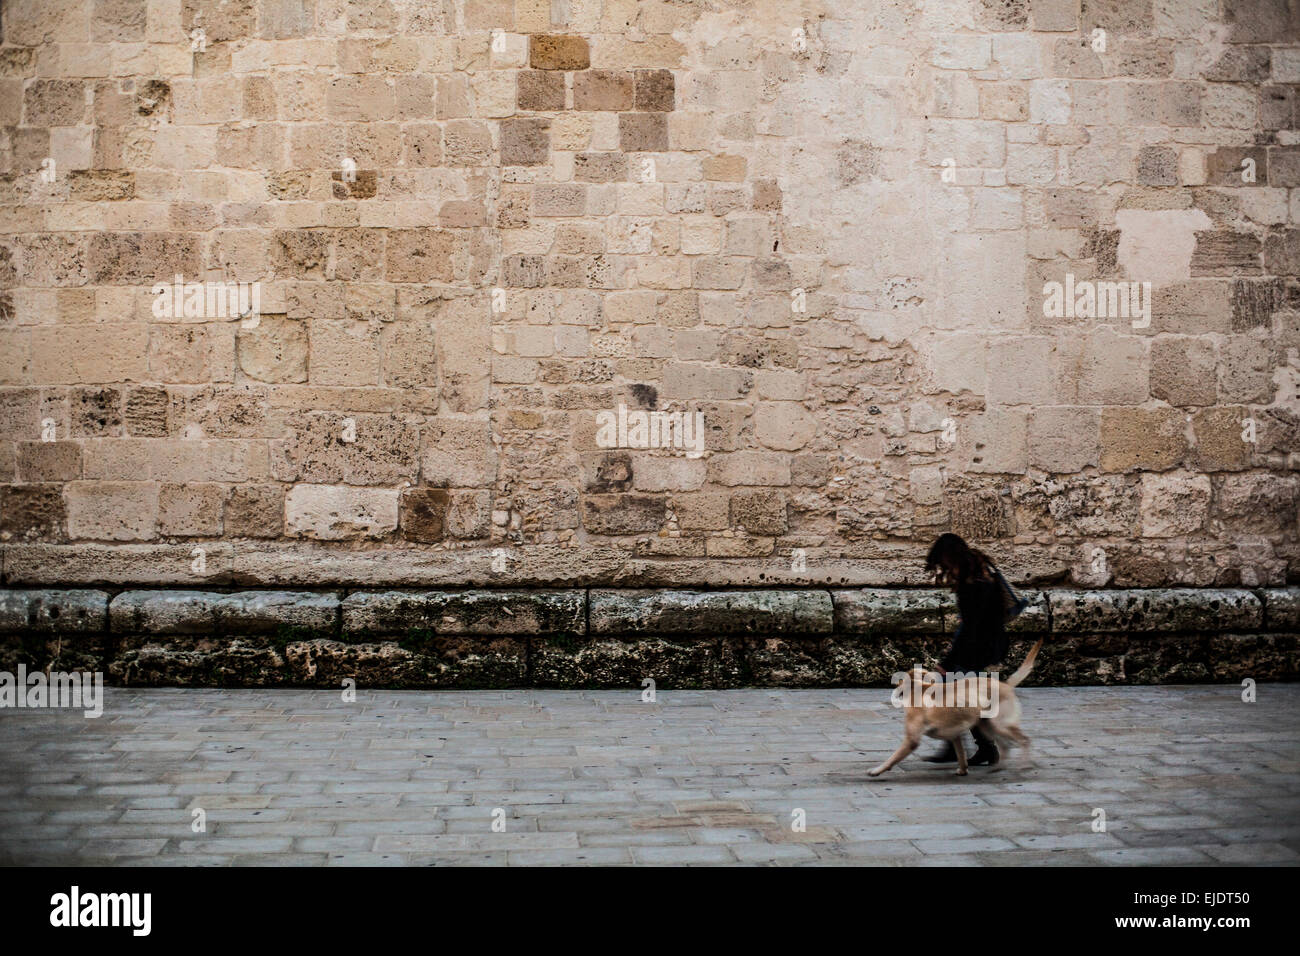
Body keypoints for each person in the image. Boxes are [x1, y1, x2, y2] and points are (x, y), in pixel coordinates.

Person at [922, 533, 1009, 766]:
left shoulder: (973, 585)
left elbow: (971, 627)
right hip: (987, 645)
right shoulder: (982, 573)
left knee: (957, 697)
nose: (944, 569)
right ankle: (968, 746)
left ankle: (975, 747)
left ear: (951, 558)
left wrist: (948, 662)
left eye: (944, 563)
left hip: (978, 649)